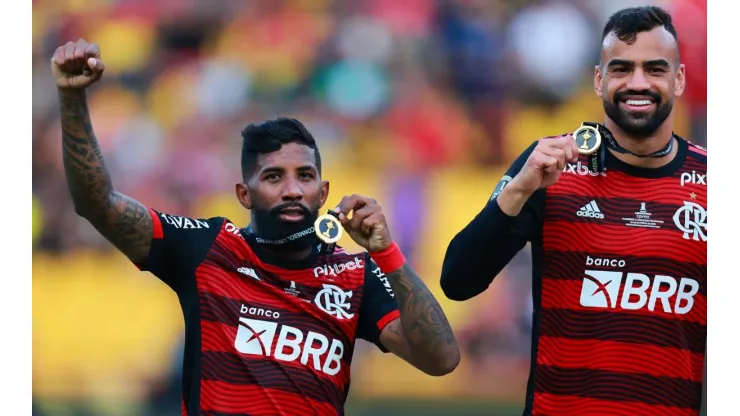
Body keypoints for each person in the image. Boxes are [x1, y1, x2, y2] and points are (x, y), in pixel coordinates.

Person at [51, 39, 460, 416]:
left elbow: (441, 360)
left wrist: (386, 254)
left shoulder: (355, 276)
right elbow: (97, 203)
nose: (292, 190)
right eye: (273, 177)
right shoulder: (206, 248)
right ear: (244, 195)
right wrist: (72, 98)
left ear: (323, 191)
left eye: (305, 176)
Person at [440, 6, 706, 416]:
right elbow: (458, 281)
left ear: (679, 79)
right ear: (599, 81)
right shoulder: (549, 165)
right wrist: (519, 190)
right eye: (621, 69)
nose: (638, 83)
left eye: (655, 69)